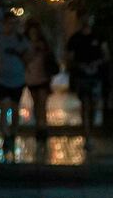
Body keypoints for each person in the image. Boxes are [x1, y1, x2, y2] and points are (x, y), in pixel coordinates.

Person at [0, 14, 29, 158]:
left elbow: (29, 56)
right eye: (9, 23)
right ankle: (6, 135)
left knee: (15, 108)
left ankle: (13, 134)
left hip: (18, 80)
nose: (11, 26)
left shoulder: (21, 40)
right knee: (4, 106)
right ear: (3, 24)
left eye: (14, 23)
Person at [67, 15, 108, 149]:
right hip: (82, 76)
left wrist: (97, 64)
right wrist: (80, 66)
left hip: (95, 76)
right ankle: (87, 134)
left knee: (94, 105)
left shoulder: (99, 37)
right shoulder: (75, 38)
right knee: (85, 104)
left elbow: (105, 55)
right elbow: (70, 58)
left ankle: (90, 130)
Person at [24, 20, 58, 143]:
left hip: (43, 77)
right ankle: (39, 125)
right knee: (36, 102)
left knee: (42, 103)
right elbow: (25, 58)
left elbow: (50, 57)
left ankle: (43, 126)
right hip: (31, 77)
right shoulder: (25, 44)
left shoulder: (44, 44)